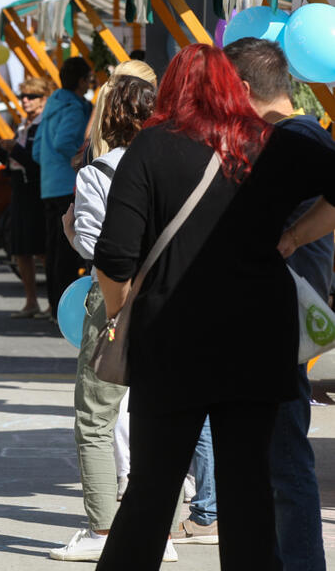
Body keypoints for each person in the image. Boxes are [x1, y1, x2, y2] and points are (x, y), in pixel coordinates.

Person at [92, 43, 335, 571]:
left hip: (171, 339)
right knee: (248, 490)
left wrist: (118, 312)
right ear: (234, 85)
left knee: (152, 490)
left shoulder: (151, 147)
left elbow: (114, 257)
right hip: (257, 340)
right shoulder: (271, 143)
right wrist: (293, 237)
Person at [225, 37, 332, 571]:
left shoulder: (294, 141)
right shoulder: (297, 136)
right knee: (278, 460)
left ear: (243, 90)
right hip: (282, 321)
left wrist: (291, 238)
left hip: (282, 323)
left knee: (285, 460)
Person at [50, 66, 161, 563]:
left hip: (116, 297)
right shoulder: (178, 165)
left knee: (96, 419)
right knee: (161, 415)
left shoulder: (97, 172)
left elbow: (97, 249)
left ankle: (100, 529)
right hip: (170, 297)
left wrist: (70, 232)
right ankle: (163, 530)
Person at [32, 56, 93, 322]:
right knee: (67, 251)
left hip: (48, 184)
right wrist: (77, 159)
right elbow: (64, 141)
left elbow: (37, 150)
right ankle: (63, 310)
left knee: (54, 251)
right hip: (67, 183)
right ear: (81, 81)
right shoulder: (74, 107)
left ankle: (54, 305)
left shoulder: (52, 105)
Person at [0, 76, 54, 319]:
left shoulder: (43, 125)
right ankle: (31, 301)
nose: (25, 101)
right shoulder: (24, 125)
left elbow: (37, 162)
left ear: (44, 99)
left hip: (35, 191)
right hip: (19, 188)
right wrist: (0, 151)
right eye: (23, 97)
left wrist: (13, 149)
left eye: (31, 96)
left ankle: (52, 301)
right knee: (20, 250)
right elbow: (14, 164)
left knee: (41, 249)